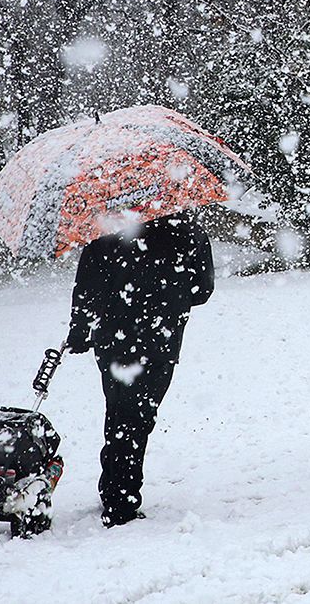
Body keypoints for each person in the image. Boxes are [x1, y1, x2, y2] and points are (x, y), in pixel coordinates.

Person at [66, 210, 214, 526]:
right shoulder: (186, 231)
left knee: (118, 412)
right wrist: (171, 297)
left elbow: (86, 291)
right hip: (160, 341)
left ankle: (115, 491)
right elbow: (202, 290)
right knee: (137, 418)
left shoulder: (104, 232)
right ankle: (121, 500)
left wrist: (78, 333)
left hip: (113, 341)